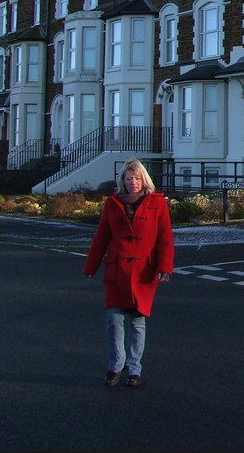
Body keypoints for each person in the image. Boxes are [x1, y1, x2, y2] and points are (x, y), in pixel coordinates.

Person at [83, 159, 174, 388]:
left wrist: (165, 268)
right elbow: (101, 238)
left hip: (143, 272)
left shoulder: (157, 203)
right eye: (129, 178)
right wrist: (90, 267)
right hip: (117, 271)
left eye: (137, 178)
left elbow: (165, 239)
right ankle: (116, 364)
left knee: (137, 322)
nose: (133, 182)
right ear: (122, 181)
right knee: (114, 320)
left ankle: (134, 369)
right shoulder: (113, 204)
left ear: (144, 180)